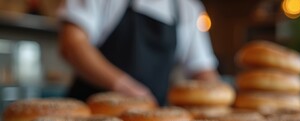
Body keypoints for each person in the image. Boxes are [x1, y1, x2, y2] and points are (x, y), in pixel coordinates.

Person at [58, 0, 221, 106]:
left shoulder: (188, 8)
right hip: (90, 114)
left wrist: (221, 99)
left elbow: (202, 70)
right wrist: (124, 86)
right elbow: (72, 44)